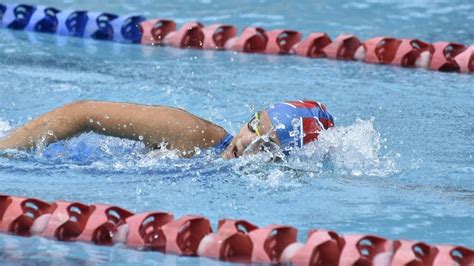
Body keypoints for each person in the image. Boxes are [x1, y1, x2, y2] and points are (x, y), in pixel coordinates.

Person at [0, 100, 334, 159]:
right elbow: (83, 113)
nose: (248, 145)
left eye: (269, 146)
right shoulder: (192, 134)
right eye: (255, 126)